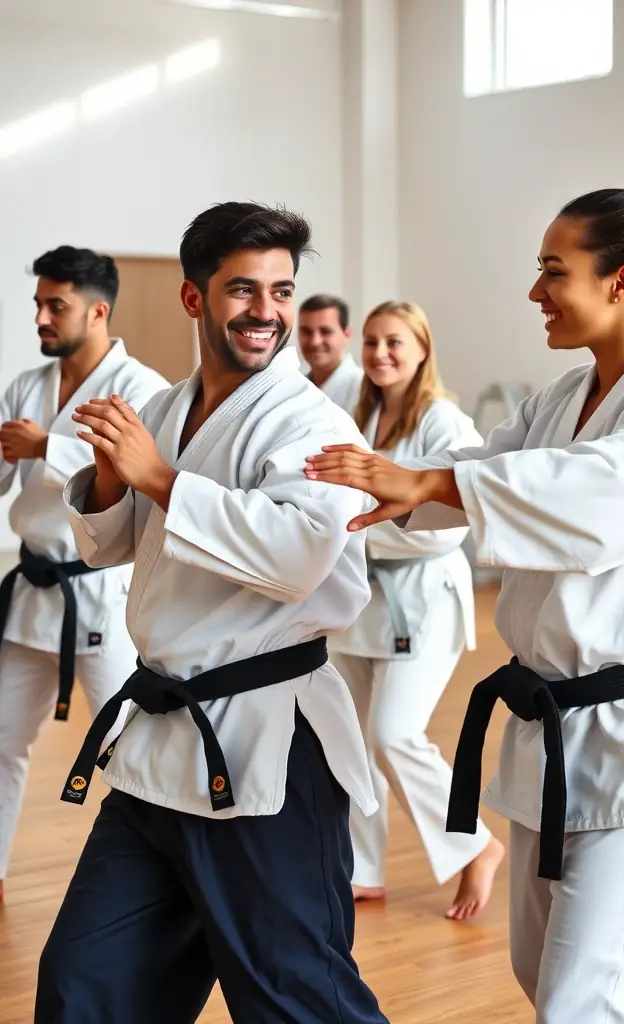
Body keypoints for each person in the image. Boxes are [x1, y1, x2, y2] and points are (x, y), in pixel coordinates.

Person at [306, 148, 624, 1023]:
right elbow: (483, 466)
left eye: (554, 272)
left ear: (620, 283)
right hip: (555, 735)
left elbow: (597, 497)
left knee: (588, 1000)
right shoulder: (566, 395)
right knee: (564, 983)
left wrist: (433, 482)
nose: (536, 292)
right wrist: (381, 486)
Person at [35, 203, 388, 1024]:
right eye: (242, 289)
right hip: (161, 743)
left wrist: (157, 478)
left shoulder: (312, 421)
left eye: (281, 291)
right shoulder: (166, 409)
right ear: (195, 298)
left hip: (266, 747)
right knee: (85, 984)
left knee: (295, 999)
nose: (266, 310)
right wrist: (112, 477)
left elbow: (298, 558)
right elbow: (112, 545)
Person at [0, 246, 167, 906]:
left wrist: (47, 445)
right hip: (33, 588)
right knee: (2, 739)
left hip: (100, 593)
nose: (41, 317)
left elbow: (137, 477)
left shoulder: (143, 388)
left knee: (126, 746)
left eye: (56, 305)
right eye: (39, 304)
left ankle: (155, 887)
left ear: (98, 311)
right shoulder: (27, 386)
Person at [329, 300, 504, 920]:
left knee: (392, 734)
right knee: (350, 740)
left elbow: (451, 523)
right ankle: (363, 869)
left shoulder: (444, 421)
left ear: (422, 349)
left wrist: (358, 526)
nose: (380, 353)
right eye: (372, 342)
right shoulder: (357, 414)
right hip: (361, 597)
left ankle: (475, 845)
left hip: (424, 597)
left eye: (394, 342)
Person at [299, 293, 363, 413]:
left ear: (347, 335)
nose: (315, 342)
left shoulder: (364, 389)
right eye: (306, 332)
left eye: (325, 332)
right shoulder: (295, 387)